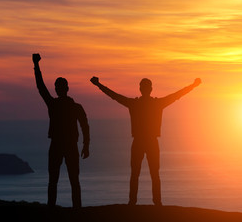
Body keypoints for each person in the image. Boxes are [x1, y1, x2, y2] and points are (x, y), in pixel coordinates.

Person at [90, 76, 201, 206]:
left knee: (141, 173)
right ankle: (153, 202)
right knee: (150, 173)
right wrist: (193, 86)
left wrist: (99, 85)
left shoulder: (136, 104)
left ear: (141, 89)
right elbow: (176, 95)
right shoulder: (154, 103)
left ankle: (138, 202)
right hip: (149, 142)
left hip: (141, 142)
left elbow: (114, 96)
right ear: (150, 89)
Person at [33, 53, 90, 208]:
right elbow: (41, 88)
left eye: (59, 87)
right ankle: (62, 208)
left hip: (65, 145)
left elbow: (85, 126)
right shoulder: (63, 105)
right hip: (60, 145)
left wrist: (86, 145)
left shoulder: (66, 106)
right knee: (58, 180)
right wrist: (36, 66)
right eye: (58, 87)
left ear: (63, 89)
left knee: (68, 180)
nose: (58, 89)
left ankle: (72, 209)